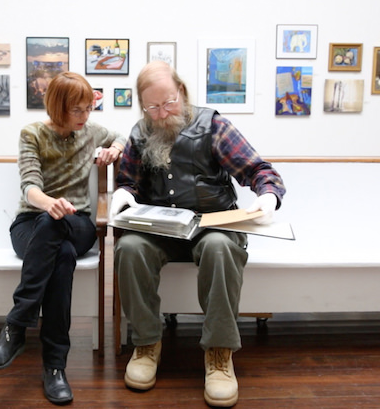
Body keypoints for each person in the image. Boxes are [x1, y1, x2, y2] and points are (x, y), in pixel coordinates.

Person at [110, 61, 286, 407]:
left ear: (183, 93)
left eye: (169, 102)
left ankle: (219, 354)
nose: (162, 114)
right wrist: (124, 193)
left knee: (221, 247)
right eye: (153, 107)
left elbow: (258, 170)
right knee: (129, 248)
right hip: (160, 230)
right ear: (143, 106)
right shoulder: (140, 132)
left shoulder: (213, 125)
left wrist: (267, 196)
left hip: (212, 225)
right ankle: (146, 344)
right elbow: (128, 180)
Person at [0, 71, 126, 405]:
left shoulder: (91, 132)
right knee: (62, 255)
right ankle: (55, 367)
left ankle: (15, 328)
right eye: (77, 110)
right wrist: (49, 204)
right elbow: (29, 186)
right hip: (32, 223)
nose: (85, 116)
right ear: (58, 107)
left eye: (89, 109)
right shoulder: (32, 134)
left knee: (58, 230)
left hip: (79, 223)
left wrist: (114, 148)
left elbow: (122, 137)